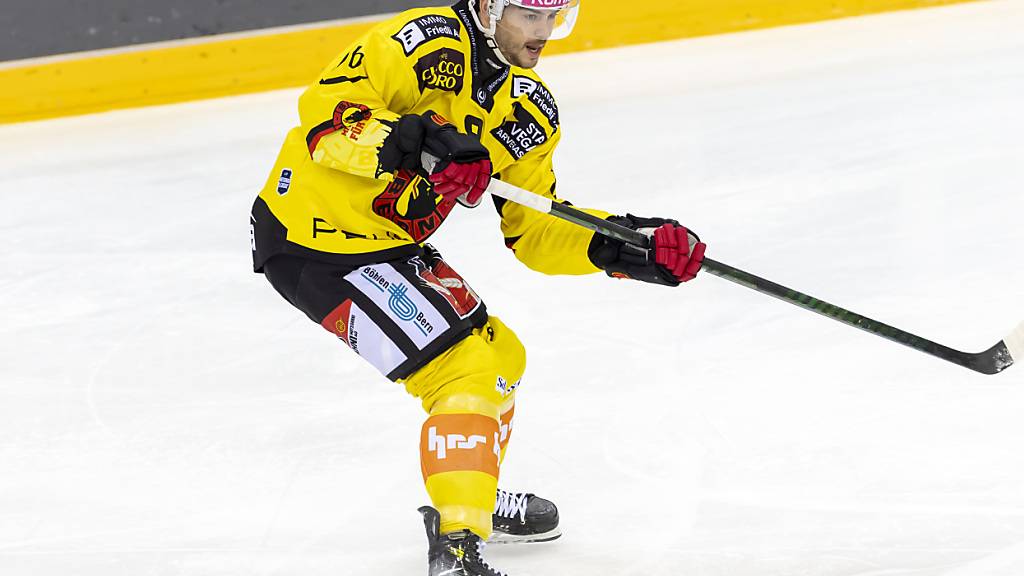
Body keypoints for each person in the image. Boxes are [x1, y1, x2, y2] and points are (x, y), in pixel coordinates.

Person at [249, 0, 706, 573]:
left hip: (389, 245)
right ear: (488, 7)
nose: (544, 33)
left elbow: (535, 231)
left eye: (555, 17)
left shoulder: (528, 110)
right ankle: (457, 545)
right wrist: (416, 141)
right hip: (314, 241)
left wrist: (623, 246)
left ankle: (474, 496)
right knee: (463, 371)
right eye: (530, 16)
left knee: (500, 355)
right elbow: (326, 115)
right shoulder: (424, 44)